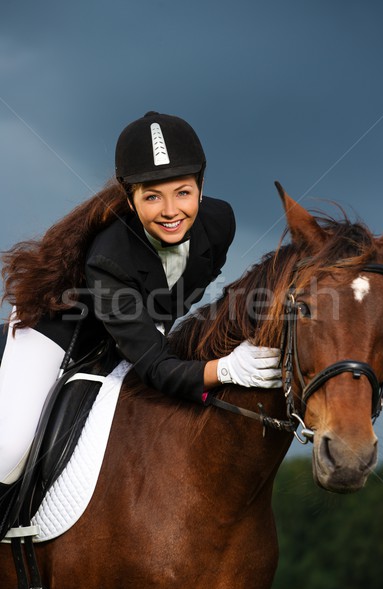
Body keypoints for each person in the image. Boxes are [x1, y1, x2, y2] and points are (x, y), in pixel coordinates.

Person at [0, 111, 281, 496]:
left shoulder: (220, 223)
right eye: (152, 197)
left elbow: (174, 302)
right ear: (130, 201)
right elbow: (152, 364)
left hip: (131, 326)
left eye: (183, 192)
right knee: (8, 454)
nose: (170, 211)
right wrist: (225, 370)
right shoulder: (108, 257)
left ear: (201, 185)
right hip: (56, 329)